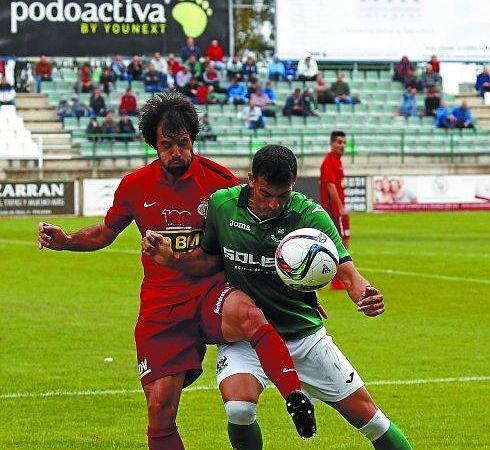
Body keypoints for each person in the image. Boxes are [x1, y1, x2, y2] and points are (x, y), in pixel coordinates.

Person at [38, 92, 315, 449]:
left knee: (249, 314)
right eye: (166, 144)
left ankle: (295, 396)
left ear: (192, 140)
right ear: (153, 143)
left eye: (182, 143)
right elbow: (105, 232)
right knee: (159, 408)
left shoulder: (220, 182)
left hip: (210, 292)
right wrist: (66, 241)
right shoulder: (135, 186)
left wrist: (297, 290)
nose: (176, 152)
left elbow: (254, 240)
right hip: (162, 305)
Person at [144, 144, 413, 450]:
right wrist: (172, 259)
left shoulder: (309, 216)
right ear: (250, 180)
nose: (273, 205)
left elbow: (349, 274)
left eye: (282, 196)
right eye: (265, 194)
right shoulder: (222, 205)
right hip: (247, 338)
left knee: (372, 421)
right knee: (239, 408)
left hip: (303, 336)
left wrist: (366, 295)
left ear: (293, 185)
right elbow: (209, 260)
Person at [320, 131, 349, 290]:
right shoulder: (329, 161)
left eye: (344, 142)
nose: (342, 145)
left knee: (342, 242)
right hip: (334, 210)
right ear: (331, 143)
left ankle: (335, 279)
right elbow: (330, 185)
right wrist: (340, 207)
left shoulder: (337, 161)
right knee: (341, 243)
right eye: (339, 142)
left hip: (338, 209)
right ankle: (337, 281)